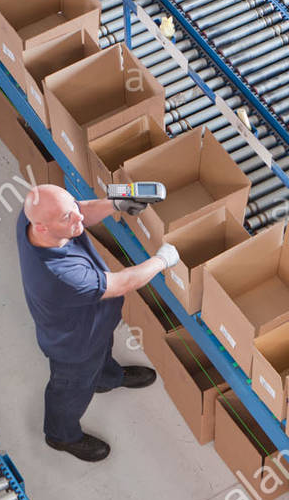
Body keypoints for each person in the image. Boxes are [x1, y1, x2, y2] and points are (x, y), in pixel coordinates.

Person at [16, 184, 180, 462]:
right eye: (67, 218)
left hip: (95, 324)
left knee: (102, 353)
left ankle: (106, 378)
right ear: (43, 228)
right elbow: (123, 282)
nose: (77, 219)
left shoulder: (34, 218)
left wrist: (115, 204)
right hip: (74, 346)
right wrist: (162, 260)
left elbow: (83, 211)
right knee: (70, 389)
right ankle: (60, 435)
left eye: (72, 211)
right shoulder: (62, 276)